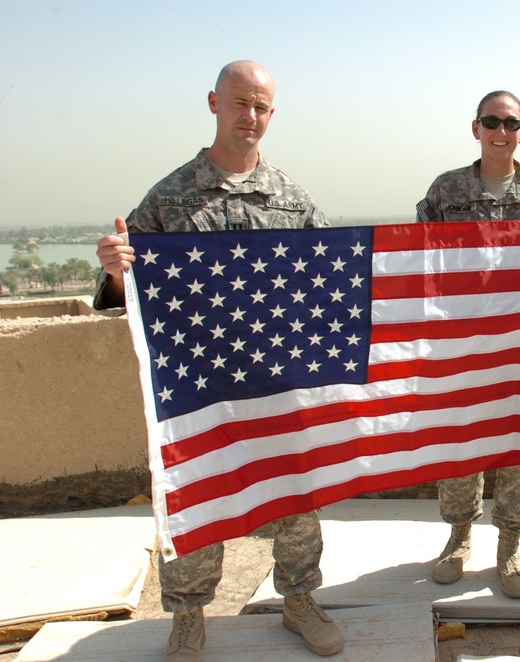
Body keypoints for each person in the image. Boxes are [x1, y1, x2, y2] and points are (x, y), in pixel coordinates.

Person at [94, 61, 343, 660]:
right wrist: (114, 269)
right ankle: (188, 617)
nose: (249, 117)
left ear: (271, 114)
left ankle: (299, 601)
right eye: (239, 103)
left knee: (294, 495)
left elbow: (330, 280)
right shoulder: (171, 196)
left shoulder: (293, 198)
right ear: (213, 102)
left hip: (277, 383)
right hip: (200, 386)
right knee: (198, 494)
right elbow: (125, 295)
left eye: (260, 107)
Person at [416, 90, 520, 598]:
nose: (501, 131)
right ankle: (458, 537)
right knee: (460, 440)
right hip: (462, 342)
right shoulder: (446, 190)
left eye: (510, 122)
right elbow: (419, 258)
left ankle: (510, 544)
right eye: (491, 122)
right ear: (475, 128)